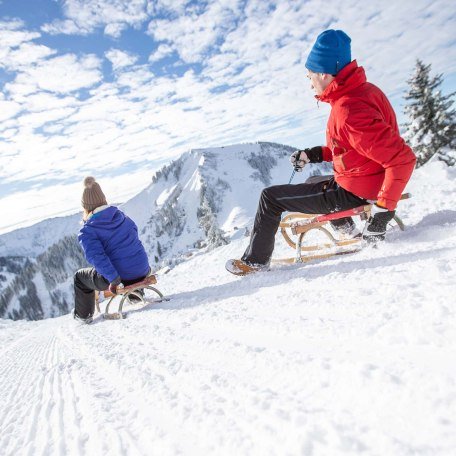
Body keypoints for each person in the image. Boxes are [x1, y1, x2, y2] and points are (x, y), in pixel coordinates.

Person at [226, 29, 416, 276]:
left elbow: (402, 159)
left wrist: (383, 212)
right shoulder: (365, 91)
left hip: (357, 191)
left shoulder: (348, 109)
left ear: (324, 74)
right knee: (313, 181)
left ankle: (255, 262)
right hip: (364, 180)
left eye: (310, 76)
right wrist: (313, 154)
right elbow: (354, 147)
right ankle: (346, 229)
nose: (310, 83)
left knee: (270, 198)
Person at [73, 176, 150, 323]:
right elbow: (133, 236)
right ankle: (135, 294)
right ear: (103, 199)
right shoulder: (122, 217)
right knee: (126, 259)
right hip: (142, 270)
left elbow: (96, 257)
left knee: (80, 277)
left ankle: (83, 316)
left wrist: (114, 280)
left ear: (86, 206)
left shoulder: (88, 230)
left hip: (119, 278)